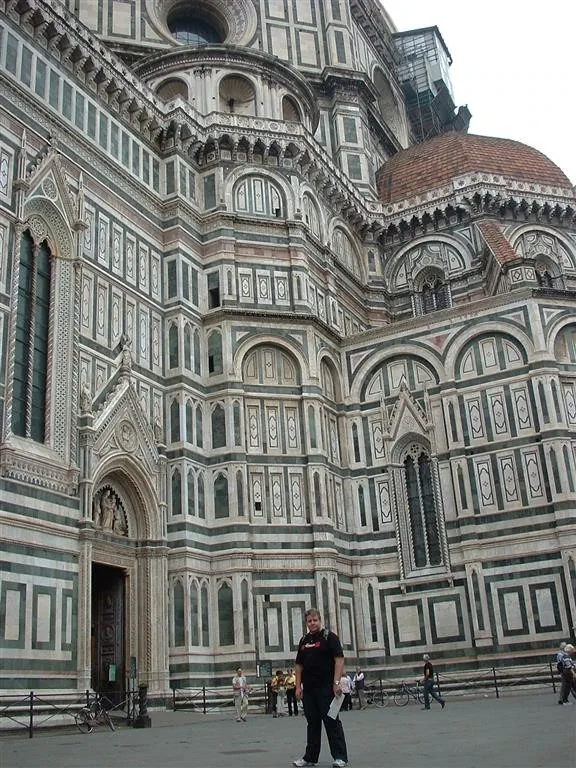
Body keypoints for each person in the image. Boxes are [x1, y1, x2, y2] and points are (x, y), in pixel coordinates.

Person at [292, 608, 348, 768]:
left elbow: (339, 659)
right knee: (312, 723)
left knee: (331, 721)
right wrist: (298, 687)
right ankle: (310, 757)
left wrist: (336, 683)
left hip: (327, 688)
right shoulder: (304, 641)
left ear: (320, 620)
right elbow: (298, 665)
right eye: (309, 621)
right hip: (309, 689)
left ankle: (340, 757)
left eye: (315, 620)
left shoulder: (329, 637)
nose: (312, 623)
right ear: (306, 623)